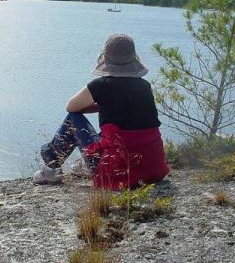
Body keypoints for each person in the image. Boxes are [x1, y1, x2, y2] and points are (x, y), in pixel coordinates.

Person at [33, 33, 169, 189]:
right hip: (152, 168)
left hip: (114, 168)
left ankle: (51, 167)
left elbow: (71, 107)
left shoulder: (101, 85)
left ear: (106, 58)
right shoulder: (145, 86)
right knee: (114, 130)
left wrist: (100, 103)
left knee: (73, 118)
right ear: (133, 58)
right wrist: (106, 105)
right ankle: (81, 165)